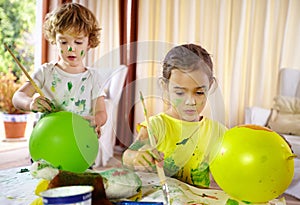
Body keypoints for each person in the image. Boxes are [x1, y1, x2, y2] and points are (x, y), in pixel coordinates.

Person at [122, 44, 227, 188]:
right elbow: (127, 155)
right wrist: (136, 158)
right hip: (160, 204)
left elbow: (227, 173)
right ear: (165, 86)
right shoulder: (156, 126)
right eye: (180, 93)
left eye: (199, 92)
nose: (190, 101)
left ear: (210, 85)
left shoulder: (217, 131)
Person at [12, 3, 106, 137]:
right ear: (55, 41)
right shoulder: (45, 72)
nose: (70, 48)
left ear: (89, 42)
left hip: (79, 143)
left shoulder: (93, 78)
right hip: (46, 140)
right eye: (63, 42)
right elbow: (18, 97)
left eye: (78, 42)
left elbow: (101, 112)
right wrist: (30, 103)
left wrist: (96, 120)